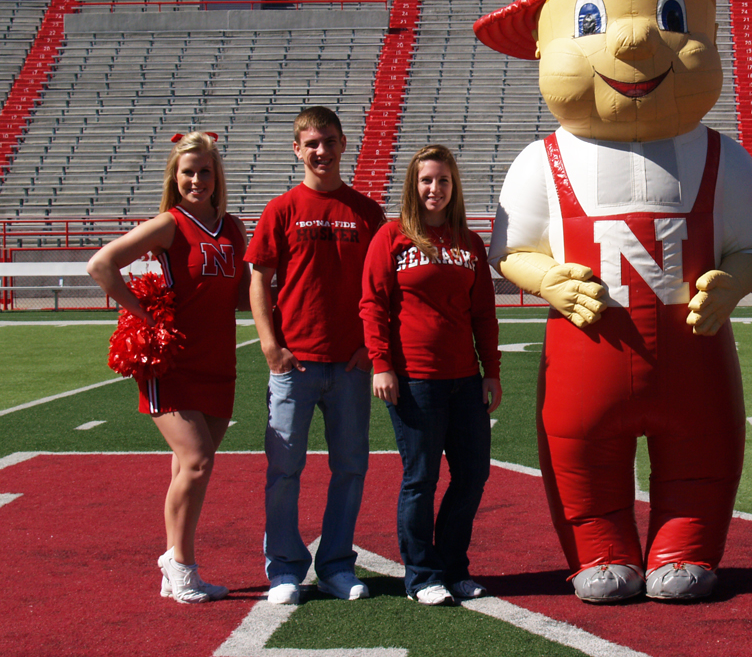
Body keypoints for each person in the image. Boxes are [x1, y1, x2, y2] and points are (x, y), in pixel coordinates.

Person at [478, 0, 752, 602]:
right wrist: (550, 278)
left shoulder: (720, 155)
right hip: (588, 354)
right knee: (581, 452)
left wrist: (731, 282)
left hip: (693, 352)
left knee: (702, 454)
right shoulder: (542, 159)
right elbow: (513, 249)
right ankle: (598, 545)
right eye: (590, 23)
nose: (638, 40)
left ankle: (687, 542)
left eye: (671, 16)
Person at [87, 131, 248, 604]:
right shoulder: (170, 224)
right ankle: (181, 565)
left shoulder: (234, 229)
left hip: (219, 360)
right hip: (172, 362)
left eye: (205, 171)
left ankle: (174, 562)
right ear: (175, 178)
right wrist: (144, 314)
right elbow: (102, 265)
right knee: (197, 462)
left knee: (189, 467)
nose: (197, 180)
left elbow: (241, 296)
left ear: (218, 176)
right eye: (188, 172)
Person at [246, 106, 385, 604]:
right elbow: (259, 278)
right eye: (311, 143)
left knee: (350, 466)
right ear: (297, 149)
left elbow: (381, 286)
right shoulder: (280, 209)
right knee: (284, 467)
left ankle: (335, 566)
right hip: (294, 363)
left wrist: (370, 346)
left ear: (343, 144)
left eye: (328, 141)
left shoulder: (367, 212)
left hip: (349, 364)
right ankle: (283, 568)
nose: (320, 151)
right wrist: (270, 343)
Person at [360, 144, 502, 606]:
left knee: (472, 474)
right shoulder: (392, 237)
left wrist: (491, 372)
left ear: (453, 185)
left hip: (465, 378)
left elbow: (483, 312)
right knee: (420, 478)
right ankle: (422, 575)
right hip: (415, 379)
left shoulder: (468, 242)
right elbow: (373, 304)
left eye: (442, 180)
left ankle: (454, 567)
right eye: (426, 180)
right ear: (413, 185)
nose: (434, 188)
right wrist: (381, 364)